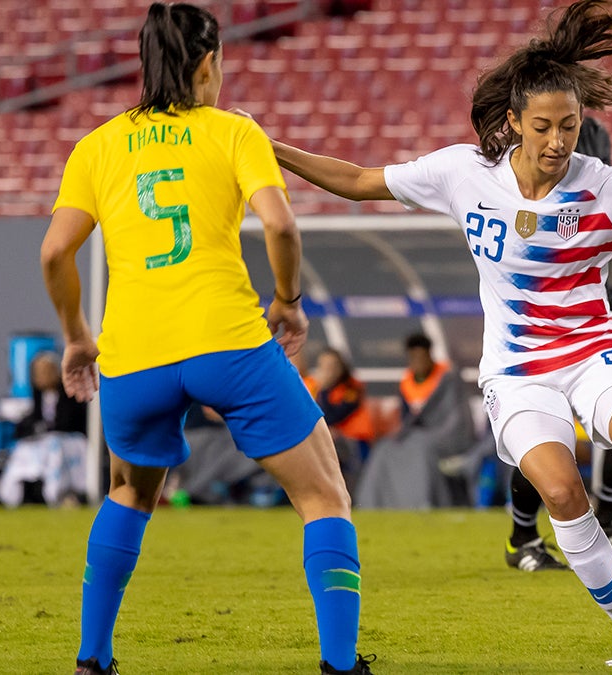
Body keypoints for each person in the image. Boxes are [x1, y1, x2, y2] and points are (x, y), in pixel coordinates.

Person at [248, 0, 612, 665]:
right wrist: (267, 148)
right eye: (545, 128)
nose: (560, 142)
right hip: (518, 371)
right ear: (514, 125)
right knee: (561, 490)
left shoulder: (606, 184)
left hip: (594, 353)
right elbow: (356, 181)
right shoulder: (461, 175)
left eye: (571, 125)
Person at [42, 5, 372, 674]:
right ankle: (339, 664)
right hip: (228, 345)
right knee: (324, 494)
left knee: (129, 494)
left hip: (133, 358)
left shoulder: (97, 146)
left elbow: (54, 253)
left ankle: (91, 658)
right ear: (206, 64)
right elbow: (281, 227)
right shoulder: (233, 131)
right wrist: (288, 302)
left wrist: (78, 338)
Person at [503, 115, 612, 572]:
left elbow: (599, 199)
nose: (558, 139)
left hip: (596, 304)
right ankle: (523, 538)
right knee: (540, 427)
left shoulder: (593, 137)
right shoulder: (522, 145)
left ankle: (609, 520)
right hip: (540, 309)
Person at [356, 333, 473, 508]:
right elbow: (406, 420)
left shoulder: (447, 377)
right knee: (384, 448)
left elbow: (457, 418)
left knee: (420, 446)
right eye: (413, 358)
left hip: (444, 436)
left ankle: (423, 502)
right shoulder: (407, 383)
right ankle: (372, 503)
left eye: (421, 357)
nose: (418, 362)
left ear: (429, 355)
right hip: (415, 436)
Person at [0, 351, 88, 507]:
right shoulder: (38, 396)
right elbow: (31, 421)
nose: (42, 376)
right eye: (38, 373)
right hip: (41, 442)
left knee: (54, 447)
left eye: (46, 371)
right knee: (22, 448)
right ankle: (12, 494)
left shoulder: (69, 394)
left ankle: (56, 493)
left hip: (70, 441)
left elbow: (70, 421)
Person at [306, 347, 374, 494]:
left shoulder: (352, 387)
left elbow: (334, 415)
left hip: (354, 442)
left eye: (332, 366)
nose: (327, 371)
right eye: (323, 367)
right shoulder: (311, 387)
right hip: (327, 440)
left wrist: (322, 390)